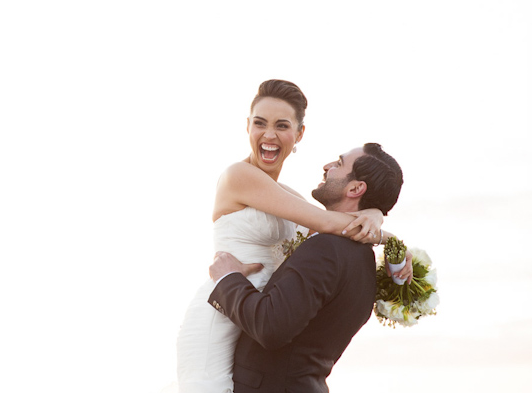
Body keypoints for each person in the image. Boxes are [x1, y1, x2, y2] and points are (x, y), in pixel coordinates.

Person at [175, 80, 410, 393]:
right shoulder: (239, 176)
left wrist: (375, 217)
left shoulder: (291, 199)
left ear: (299, 134)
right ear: (247, 126)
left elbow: (328, 224)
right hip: (220, 314)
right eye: (260, 123)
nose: (269, 135)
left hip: (251, 314)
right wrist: (381, 231)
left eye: (281, 125)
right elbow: (328, 222)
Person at [207, 143, 404, 392]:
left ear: (355, 188)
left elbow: (270, 327)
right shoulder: (364, 261)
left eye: (339, 164)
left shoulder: (326, 250)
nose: (327, 167)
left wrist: (228, 278)